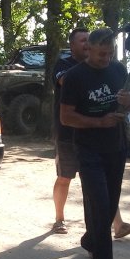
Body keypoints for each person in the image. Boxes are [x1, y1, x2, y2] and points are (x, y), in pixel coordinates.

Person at [60, 27, 130, 259]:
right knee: (101, 204)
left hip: (116, 146)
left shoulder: (118, 70)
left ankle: (90, 240)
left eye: (110, 53)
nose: (106, 58)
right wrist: (99, 122)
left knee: (110, 203)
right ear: (89, 49)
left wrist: (129, 102)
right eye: (101, 54)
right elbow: (66, 117)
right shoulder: (74, 76)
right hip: (88, 148)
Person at [51, 28, 88, 234]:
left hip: (91, 133)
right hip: (66, 133)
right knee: (65, 177)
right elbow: (65, 82)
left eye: (90, 40)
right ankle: (59, 219)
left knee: (96, 178)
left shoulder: (97, 66)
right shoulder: (63, 65)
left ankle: (117, 223)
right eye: (83, 40)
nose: (87, 44)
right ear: (72, 45)